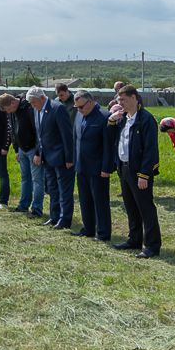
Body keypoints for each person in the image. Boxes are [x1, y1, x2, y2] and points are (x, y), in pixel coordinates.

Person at [108, 85, 161, 258]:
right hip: (124, 168)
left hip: (139, 171)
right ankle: (134, 239)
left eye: (123, 99)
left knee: (145, 208)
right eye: (119, 100)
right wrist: (111, 122)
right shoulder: (123, 118)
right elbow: (111, 139)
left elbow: (150, 150)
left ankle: (152, 245)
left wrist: (144, 174)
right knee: (130, 206)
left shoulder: (146, 119)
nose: (120, 103)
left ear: (134, 98)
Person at [28, 86, 75, 229]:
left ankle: (65, 219)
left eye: (34, 102)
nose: (33, 106)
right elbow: (39, 134)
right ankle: (54, 217)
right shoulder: (37, 110)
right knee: (53, 189)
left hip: (61, 157)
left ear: (42, 98)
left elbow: (67, 135)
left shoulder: (57, 108)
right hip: (47, 158)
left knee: (64, 190)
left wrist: (69, 158)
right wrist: (38, 153)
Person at [71, 90, 112, 241]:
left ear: (90, 102)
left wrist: (106, 168)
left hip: (97, 168)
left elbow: (108, 146)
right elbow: (75, 139)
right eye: (77, 107)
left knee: (100, 201)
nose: (79, 110)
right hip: (81, 166)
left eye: (81, 106)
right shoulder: (79, 115)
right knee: (85, 199)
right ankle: (88, 228)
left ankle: (103, 233)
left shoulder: (104, 116)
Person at [0, 93, 44, 218]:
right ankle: (23, 206)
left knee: (37, 180)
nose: (8, 112)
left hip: (33, 149)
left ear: (13, 102)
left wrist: (38, 152)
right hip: (21, 150)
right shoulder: (12, 112)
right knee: (25, 178)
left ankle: (37, 209)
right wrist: (16, 149)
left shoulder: (29, 108)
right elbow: (13, 130)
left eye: (8, 109)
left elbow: (38, 130)